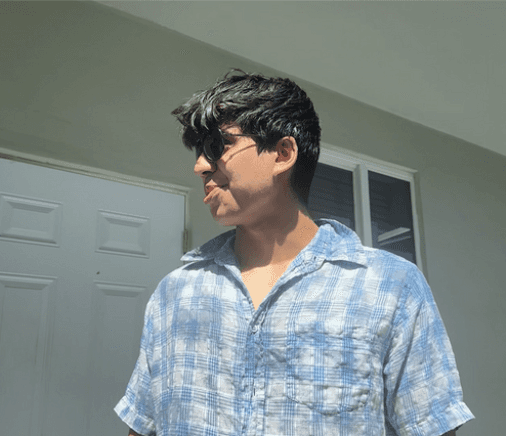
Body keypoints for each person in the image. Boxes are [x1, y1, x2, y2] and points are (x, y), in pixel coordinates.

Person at [114, 70, 474, 436]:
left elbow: (433, 427)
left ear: (283, 154)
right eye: (198, 152)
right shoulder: (175, 293)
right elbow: (143, 425)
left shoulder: (390, 287)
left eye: (216, 146)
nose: (200, 166)